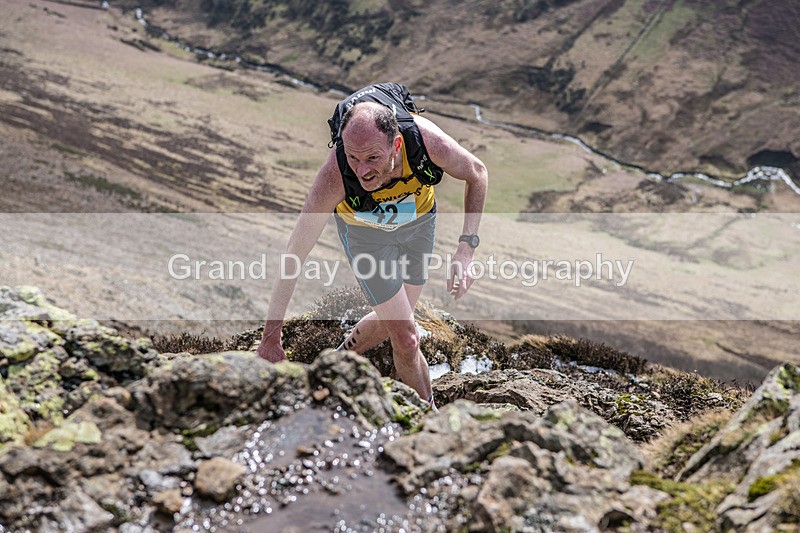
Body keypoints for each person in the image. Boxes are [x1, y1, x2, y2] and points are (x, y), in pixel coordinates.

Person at [257, 96, 488, 409]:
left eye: (372, 158)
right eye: (353, 157)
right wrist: (271, 336)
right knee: (406, 336)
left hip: (418, 223)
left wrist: (465, 250)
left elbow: (478, 173)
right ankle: (429, 416)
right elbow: (294, 254)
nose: (362, 171)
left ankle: (337, 361)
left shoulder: (428, 143)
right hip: (366, 236)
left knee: (394, 316)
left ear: (395, 145)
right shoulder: (335, 176)